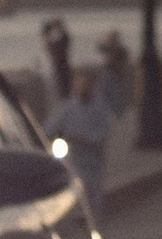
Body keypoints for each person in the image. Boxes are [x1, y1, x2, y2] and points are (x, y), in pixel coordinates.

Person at [45, 62, 117, 215]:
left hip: (94, 163)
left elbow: (105, 132)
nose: (82, 86)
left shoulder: (101, 108)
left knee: (93, 198)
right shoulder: (68, 108)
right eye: (79, 82)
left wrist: (85, 139)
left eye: (86, 82)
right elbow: (50, 127)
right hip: (73, 161)